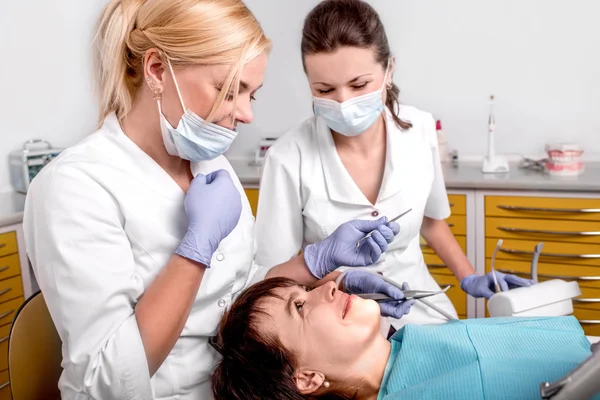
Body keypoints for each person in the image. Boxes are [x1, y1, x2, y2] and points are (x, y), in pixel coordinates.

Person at [22, 1, 410, 398]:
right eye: (230, 90)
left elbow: (233, 296)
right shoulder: (76, 186)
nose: (245, 114)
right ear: (157, 70)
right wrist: (195, 248)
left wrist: (316, 267)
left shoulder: (211, 165)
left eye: (251, 95)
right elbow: (107, 382)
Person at [254, 0, 533, 332]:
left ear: (389, 71)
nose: (343, 103)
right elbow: (272, 279)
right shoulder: (287, 158)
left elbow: (431, 222)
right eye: (324, 90)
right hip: (337, 330)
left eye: (359, 85)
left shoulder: (420, 130)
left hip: (424, 312)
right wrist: (341, 279)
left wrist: (469, 277)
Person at [211, 277, 595, 400]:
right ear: (306, 377)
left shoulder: (409, 345)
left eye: (307, 288)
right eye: (299, 307)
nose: (328, 285)